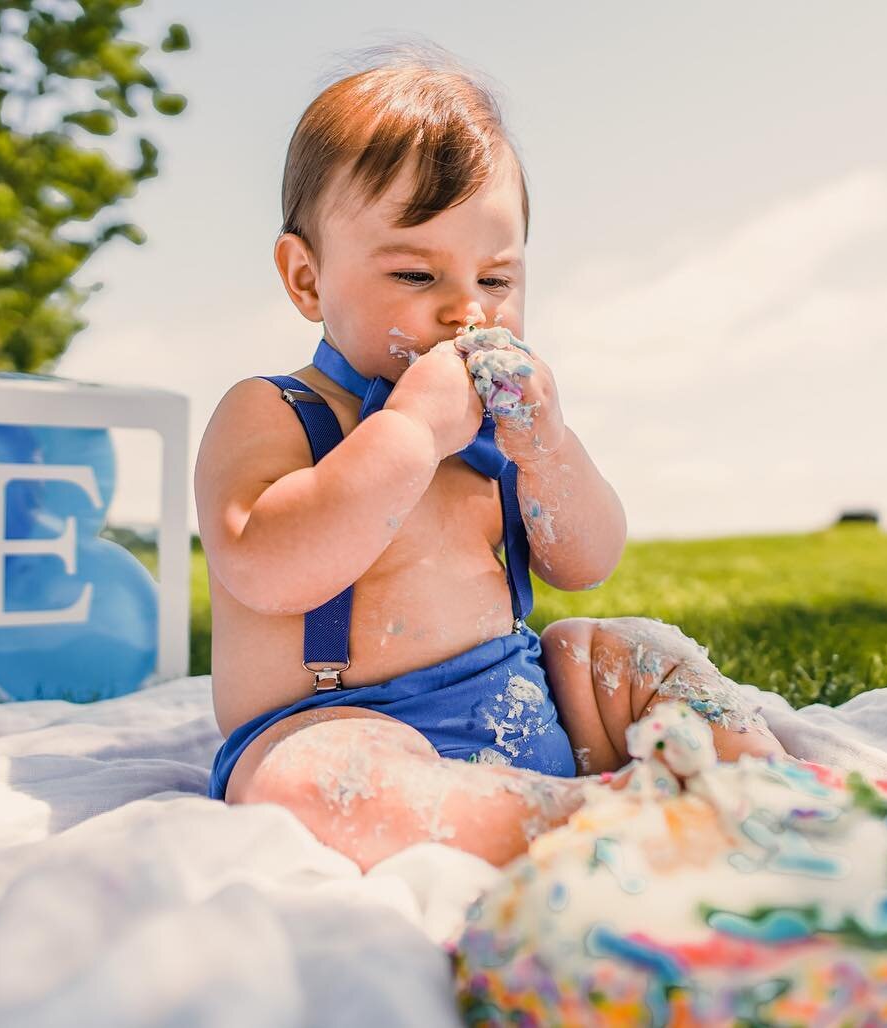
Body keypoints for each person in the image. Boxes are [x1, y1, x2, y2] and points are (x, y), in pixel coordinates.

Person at [194, 42, 784, 872]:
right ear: (306, 279)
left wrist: (548, 448)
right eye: (413, 272)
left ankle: (765, 783)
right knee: (302, 781)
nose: (465, 310)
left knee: (625, 649)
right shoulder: (275, 411)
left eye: (497, 281)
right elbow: (266, 566)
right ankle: (593, 821)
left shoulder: (498, 433)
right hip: (350, 730)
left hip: (524, 704)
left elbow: (587, 561)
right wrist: (409, 434)